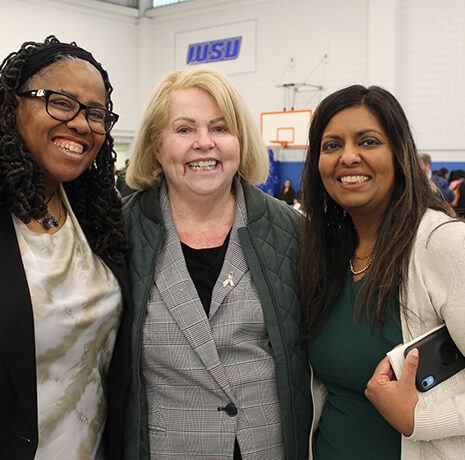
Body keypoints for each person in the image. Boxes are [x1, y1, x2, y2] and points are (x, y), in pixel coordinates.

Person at [122, 65, 311, 459]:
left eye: (221, 128)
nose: (204, 143)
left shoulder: (291, 231)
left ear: (240, 142)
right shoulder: (120, 232)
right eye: (185, 129)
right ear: (156, 145)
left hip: (266, 448)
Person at [299, 84, 465, 459]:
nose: (348, 157)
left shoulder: (442, 245)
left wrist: (421, 419)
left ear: (398, 154)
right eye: (331, 145)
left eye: (368, 141)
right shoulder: (327, 253)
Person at [0, 36, 131, 460]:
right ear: (13, 105)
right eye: (61, 101)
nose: (81, 123)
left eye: (96, 113)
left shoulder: (98, 218)